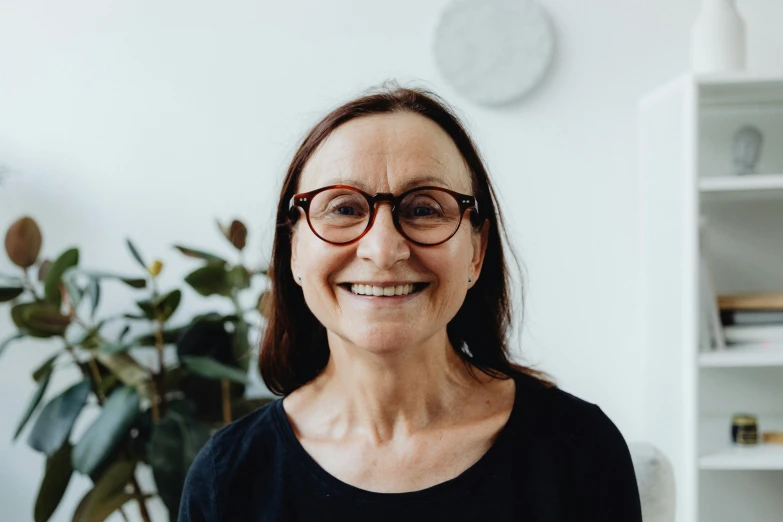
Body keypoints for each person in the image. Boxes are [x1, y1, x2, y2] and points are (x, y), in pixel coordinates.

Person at [178, 85, 642, 521]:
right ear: (294, 250)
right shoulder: (227, 479)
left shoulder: (580, 451)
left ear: (476, 252)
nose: (382, 249)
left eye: (423, 209)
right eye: (343, 208)